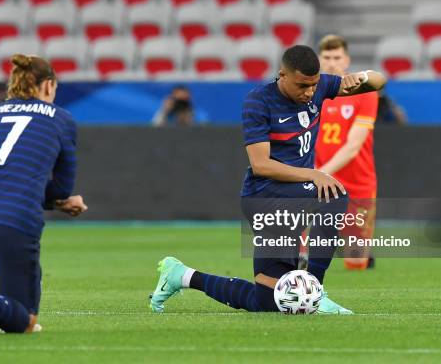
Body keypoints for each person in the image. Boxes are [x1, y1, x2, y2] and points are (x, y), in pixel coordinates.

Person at [149, 45, 386, 314]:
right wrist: (314, 173)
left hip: (295, 196)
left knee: (266, 302)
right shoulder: (258, 101)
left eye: (313, 85)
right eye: (302, 86)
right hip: (266, 196)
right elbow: (261, 165)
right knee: (334, 194)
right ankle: (314, 290)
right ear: (282, 75)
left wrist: (362, 77)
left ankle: (181, 275)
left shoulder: (318, 86)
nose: (309, 92)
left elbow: (379, 81)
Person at [0, 54, 88, 335]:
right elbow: (61, 188)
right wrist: (62, 202)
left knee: (13, 313)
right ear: (48, 86)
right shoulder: (62, 119)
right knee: (25, 322)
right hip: (13, 219)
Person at [314, 35, 378, 270]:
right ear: (320, 60)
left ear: (347, 60)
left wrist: (319, 173)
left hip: (357, 183)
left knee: (356, 262)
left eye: (337, 57)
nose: (332, 62)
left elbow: (353, 147)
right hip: (322, 185)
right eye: (327, 57)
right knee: (301, 256)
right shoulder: (311, 93)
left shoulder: (364, 93)